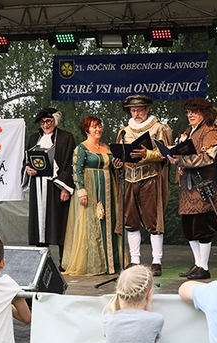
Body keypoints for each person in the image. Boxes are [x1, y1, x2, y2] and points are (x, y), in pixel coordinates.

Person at [168, 98, 217, 281]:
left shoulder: (211, 131)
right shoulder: (188, 131)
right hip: (187, 187)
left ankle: (204, 266)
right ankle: (198, 264)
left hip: (203, 185)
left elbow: (208, 157)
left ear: (204, 113)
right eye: (189, 112)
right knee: (189, 227)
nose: (190, 115)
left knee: (203, 226)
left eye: (194, 112)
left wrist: (181, 160)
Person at [115, 95, 173, 276]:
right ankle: (134, 260)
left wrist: (147, 154)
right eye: (133, 110)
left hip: (150, 178)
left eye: (139, 109)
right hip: (129, 179)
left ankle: (156, 261)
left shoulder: (159, 128)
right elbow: (119, 155)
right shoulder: (124, 131)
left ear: (147, 109)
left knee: (153, 220)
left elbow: (166, 154)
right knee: (130, 221)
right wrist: (118, 162)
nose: (136, 113)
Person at [61, 116, 123, 275]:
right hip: (90, 190)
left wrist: (117, 165)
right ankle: (94, 265)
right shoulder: (81, 148)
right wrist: (82, 192)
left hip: (108, 190)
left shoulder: (106, 147)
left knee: (110, 222)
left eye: (99, 126)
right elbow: (76, 171)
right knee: (91, 225)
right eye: (94, 126)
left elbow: (113, 167)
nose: (98, 129)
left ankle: (112, 263)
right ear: (86, 130)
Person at [22, 107, 75, 266]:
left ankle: (64, 262)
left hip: (56, 186)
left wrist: (65, 188)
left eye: (49, 121)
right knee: (39, 224)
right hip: (37, 187)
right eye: (42, 122)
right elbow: (27, 161)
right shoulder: (34, 138)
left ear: (55, 121)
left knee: (60, 223)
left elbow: (70, 163)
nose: (45, 125)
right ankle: (41, 262)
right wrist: (27, 169)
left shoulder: (66, 138)